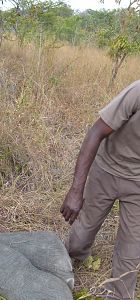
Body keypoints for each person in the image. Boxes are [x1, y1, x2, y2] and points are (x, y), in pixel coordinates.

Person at [60, 80, 140, 300]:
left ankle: (118, 295)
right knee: (80, 236)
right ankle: (71, 259)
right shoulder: (137, 92)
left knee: (131, 250)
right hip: (107, 169)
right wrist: (76, 191)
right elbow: (96, 132)